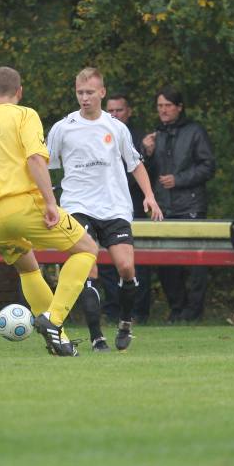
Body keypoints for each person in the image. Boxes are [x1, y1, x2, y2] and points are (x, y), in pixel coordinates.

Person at [0, 66, 99, 357]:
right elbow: (35, 159)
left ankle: (58, 341)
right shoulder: (24, 114)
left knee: (28, 267)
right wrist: (50, 202)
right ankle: (54, 319)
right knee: (86, 249)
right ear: (19, 92)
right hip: (21, 203)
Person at [46, 69, 163, 352]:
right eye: (80, 93)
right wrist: (46, 202)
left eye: (90, 93)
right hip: (77, 206)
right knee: (88, 268)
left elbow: (134, 164)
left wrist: (149, 195)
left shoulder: (115, 127)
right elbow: (45, 168)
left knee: (126, 267)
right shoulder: (63, 128)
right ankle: (97, 337)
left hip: (114, 207)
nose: (84, 98)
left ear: (102, 92)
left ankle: (125, 323)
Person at [142, 86, 215, 322]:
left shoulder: (195, 131)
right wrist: (148, 152)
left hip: (191, 205)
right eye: (160, 106)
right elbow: (147, 173)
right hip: (164, 206)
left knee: (196, 264)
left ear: (179, 108)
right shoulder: (156, 134)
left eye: (168, 106)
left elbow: (208, 166)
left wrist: (179, 180)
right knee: (165, 263)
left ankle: (193, 313)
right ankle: (177, 309)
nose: (163, 110)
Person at [102, 91, 154, 324]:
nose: (114, 114)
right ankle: (112, 311)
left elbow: (143, 168)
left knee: (133, 264)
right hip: (102, 207)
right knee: (104, 265)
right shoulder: (96, 131)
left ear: (129, 111)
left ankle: (138, 312)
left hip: (133, 208)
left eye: (119, 110)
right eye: (110, 110)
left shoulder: (140, 138)